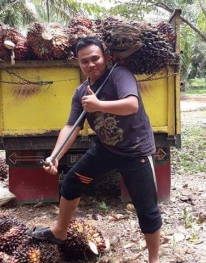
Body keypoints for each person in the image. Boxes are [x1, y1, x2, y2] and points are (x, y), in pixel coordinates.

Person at [27, 37, 162, 263]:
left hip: (136, 152)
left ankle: (154, 260)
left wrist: (99, 105)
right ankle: (60, 232)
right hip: (106, 150)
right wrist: (55, 155)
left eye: (95, 58)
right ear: (78, 64)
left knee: (147, 209)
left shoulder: (120, 75)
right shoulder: (81, 93)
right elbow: (71, 126)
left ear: (105, 57)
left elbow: (132, 104)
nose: (91, 64)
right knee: (72, 181)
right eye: (84, 61)